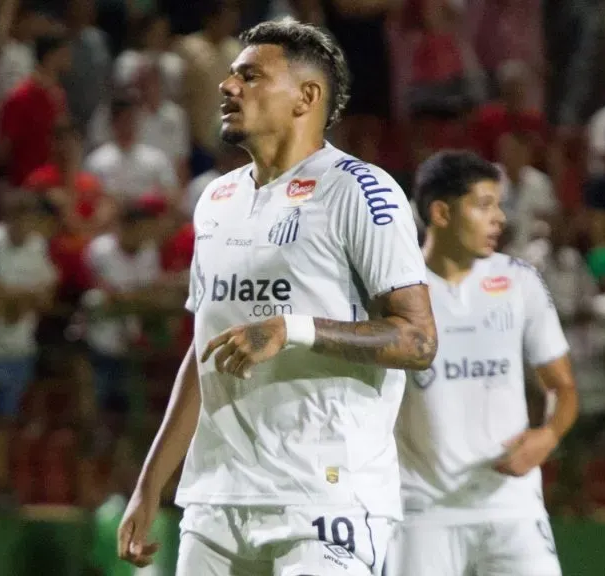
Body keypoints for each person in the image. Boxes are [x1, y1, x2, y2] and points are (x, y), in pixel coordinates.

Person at [117, 18, 437, 576]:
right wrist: (150, 485)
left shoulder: (360, 190)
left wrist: (295, 329)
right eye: (231, 75)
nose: (227, 86)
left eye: (251, 76)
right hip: (215, 502)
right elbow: (203, 354)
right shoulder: (216, 199)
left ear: (305, 97)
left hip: (324, 497)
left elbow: (418, 338)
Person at [386, 151, 578, 576]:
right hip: (422, 513)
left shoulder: (519, 281)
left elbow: (561, 386)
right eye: (485, 205)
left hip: (512, 507)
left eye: (499, 205)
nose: (500, 219)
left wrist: (547, 436)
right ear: (441, 212)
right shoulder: (393, 289)